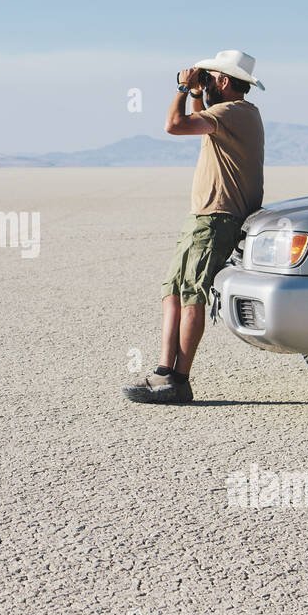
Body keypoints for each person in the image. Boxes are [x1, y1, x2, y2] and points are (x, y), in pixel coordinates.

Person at [123, 49, 265, 406]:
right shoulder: (234, 114)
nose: (205, 82)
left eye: (210, 77)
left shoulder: (233, 113)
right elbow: (201, 120)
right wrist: (200, 93)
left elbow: (174, 125)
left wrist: (183, 89)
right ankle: (162, 372)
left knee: (191, 295)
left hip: (216, 218)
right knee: (173, 290)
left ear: (224, 81)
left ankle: (180, 381)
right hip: (204, 218)